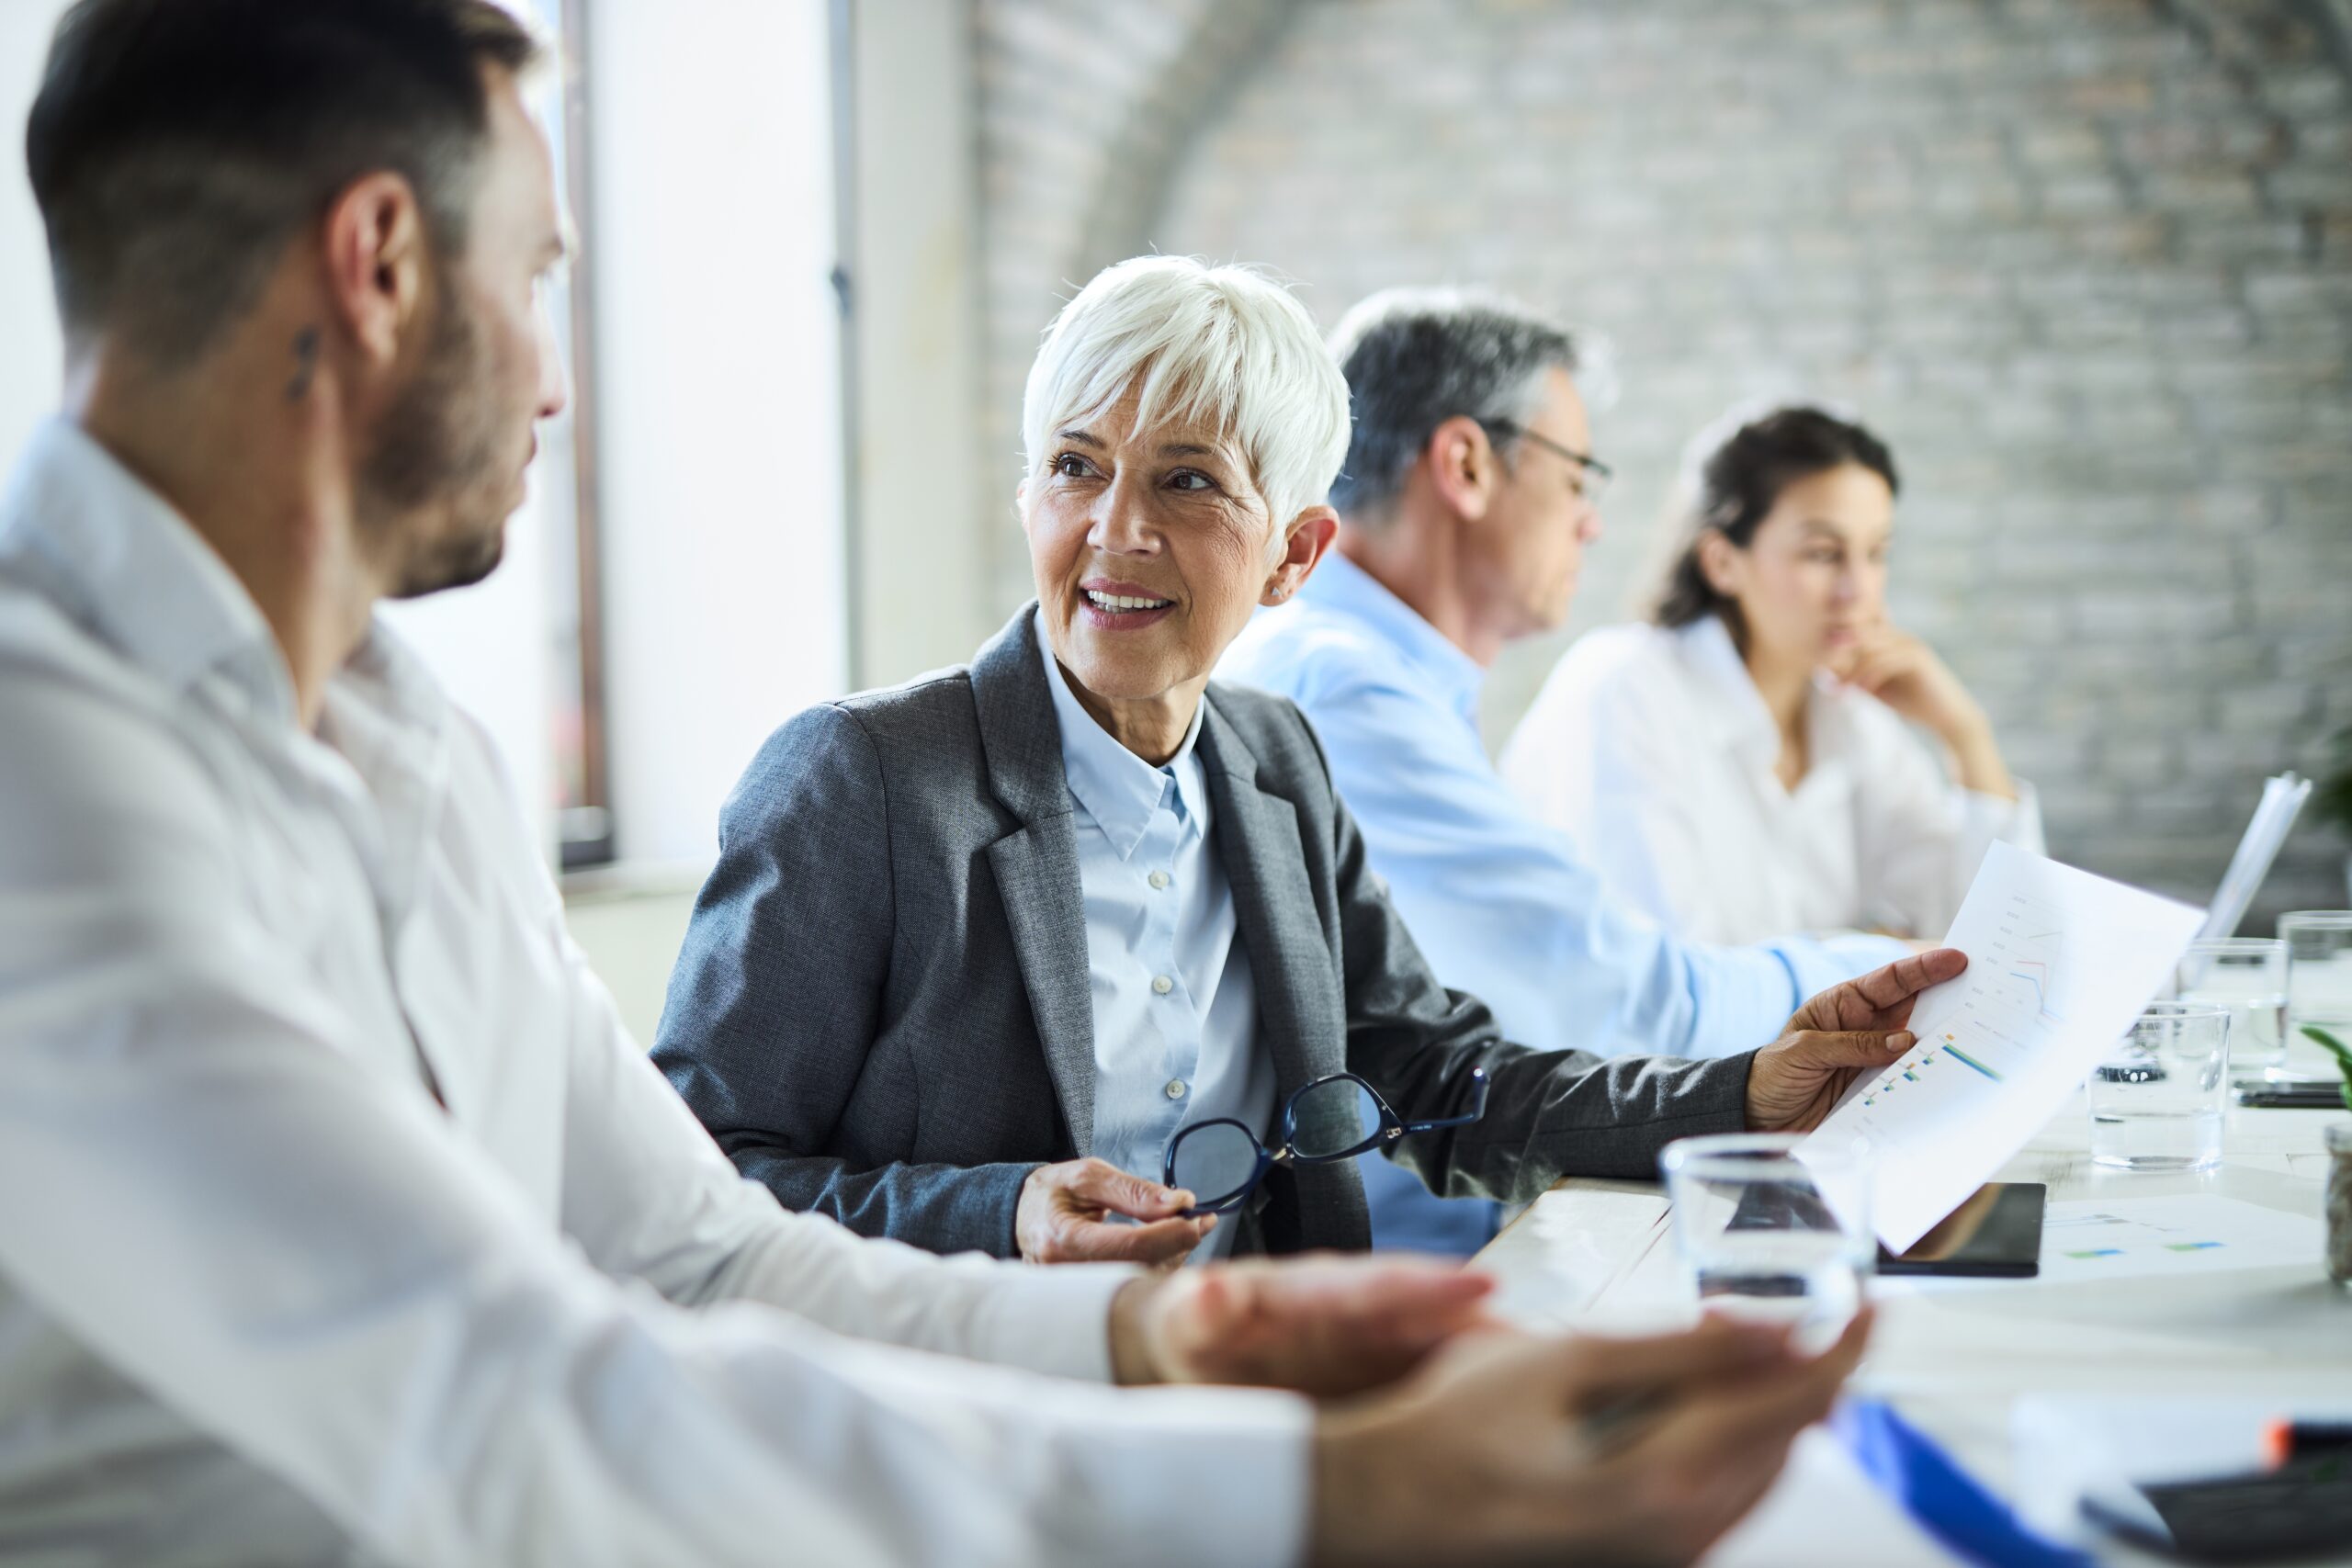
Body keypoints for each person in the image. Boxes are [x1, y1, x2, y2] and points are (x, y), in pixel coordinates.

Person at [0, 6, 1894, 1562]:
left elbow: (692, 1247)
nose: (557, 380)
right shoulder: (45, 770)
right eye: (541, 277)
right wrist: (1315, 1495)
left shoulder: (404, 734)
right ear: (383, 263)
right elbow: (497, 1388)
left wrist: (1160, 1333)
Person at [653, 256, 1954, 1277]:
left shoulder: (1275, 763)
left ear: (1292, 554)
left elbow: (1438, 1074)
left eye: (1186, 482)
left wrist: (1745, 1090)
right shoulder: (860, 777)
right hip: (971, 1421)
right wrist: (1004, 1211)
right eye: (1075, 468)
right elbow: (688, 1182)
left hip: (1254, 1383)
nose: (1115, 532)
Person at [1217, 291, 1909, 1256]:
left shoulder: (1381, 681)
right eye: (1578, 477)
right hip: (1426, 1261)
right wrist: (1890, 974)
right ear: (1464, 464)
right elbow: (1625, 1010)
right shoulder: (1336, 689)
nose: (1590, 524)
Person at [1501, 404, 2042, 948]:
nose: (1857, 590)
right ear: (1721, 562)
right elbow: (1673, 976)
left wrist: (1966, 734)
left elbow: (2001, 948)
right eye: (1822, 553)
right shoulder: (1625, 686)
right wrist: (1887, 953)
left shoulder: (1850, 717)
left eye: (1876, 553)